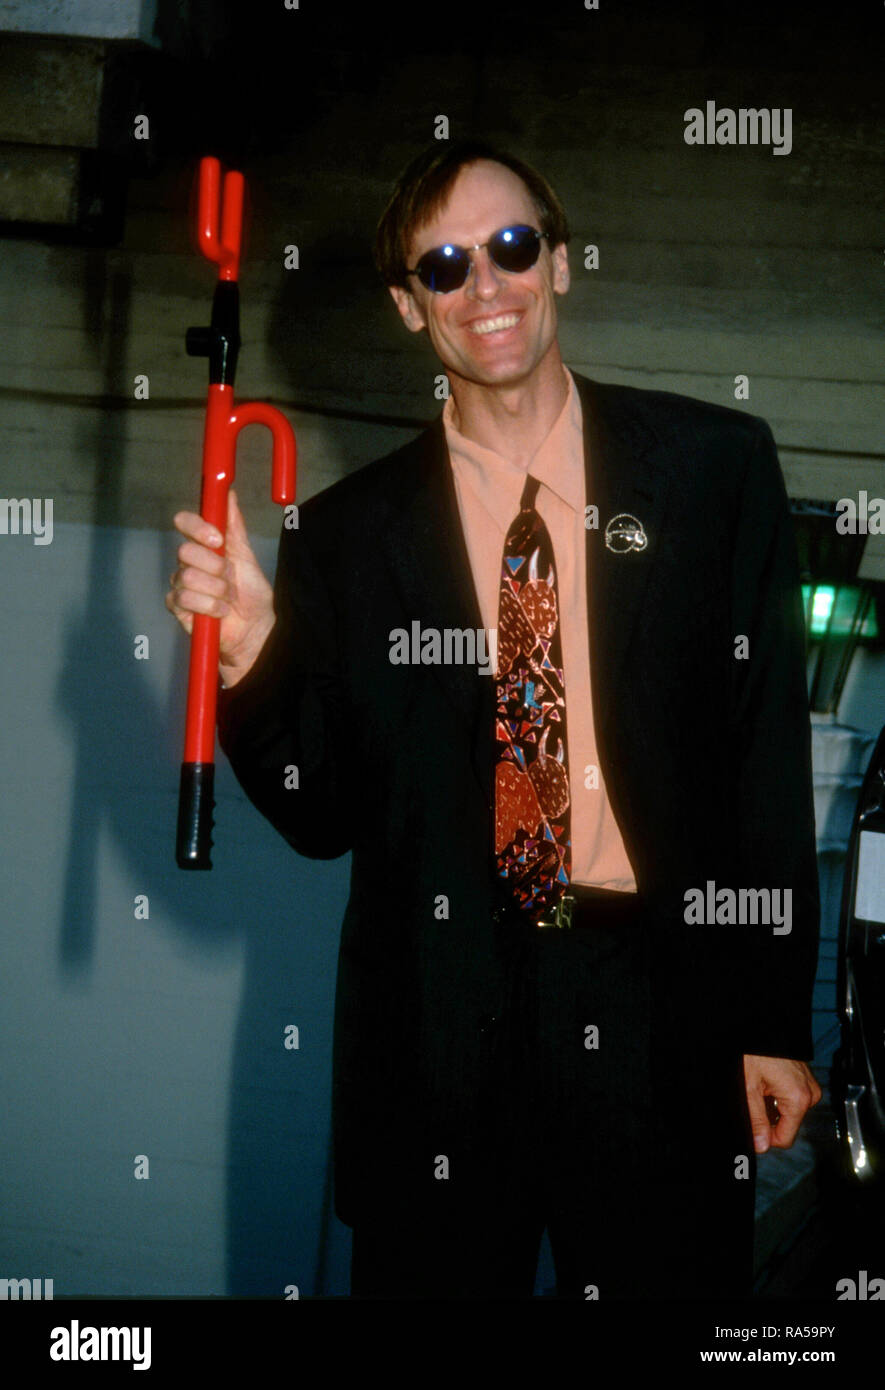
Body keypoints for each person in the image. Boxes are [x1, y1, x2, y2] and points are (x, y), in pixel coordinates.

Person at [167, 140, 822, 1299]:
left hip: (656, 1015)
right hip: (439, 1032)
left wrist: (769, 1018)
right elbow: (326, 816)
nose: (488, 287)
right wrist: (255, 652)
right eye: (446, 265)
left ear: (561, 263)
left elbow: (763, 757)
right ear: (409, 309)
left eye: (513, 247)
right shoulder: (347, 537)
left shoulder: (718, 471)